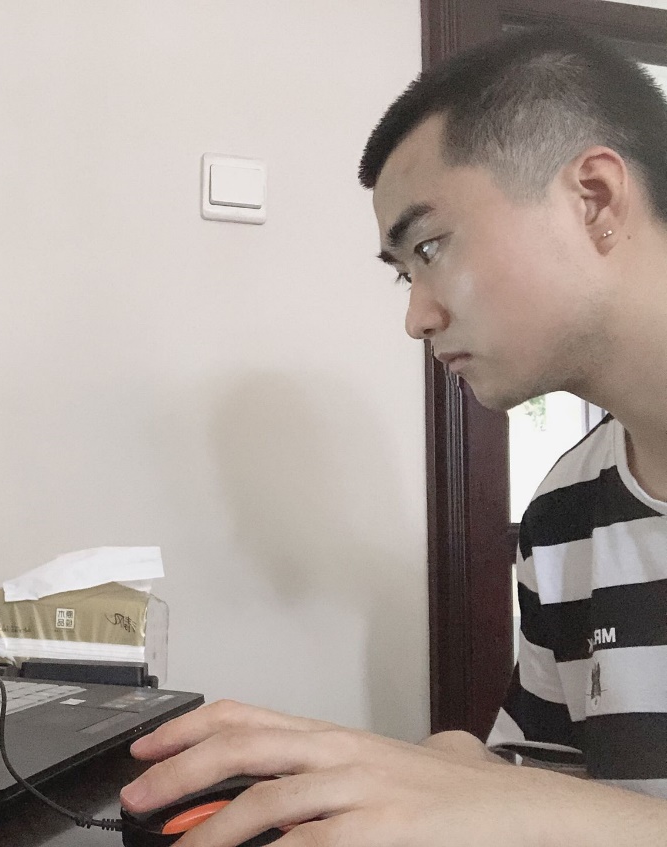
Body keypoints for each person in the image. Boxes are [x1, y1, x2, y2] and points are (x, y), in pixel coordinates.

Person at [120, 25, 667, 846]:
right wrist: (446, 767)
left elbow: (556, 813)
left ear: (592, 198)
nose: (415, 316)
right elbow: (559, 785)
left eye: (431, 246)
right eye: (404, 272)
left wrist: (508, 802)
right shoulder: (564, 511)